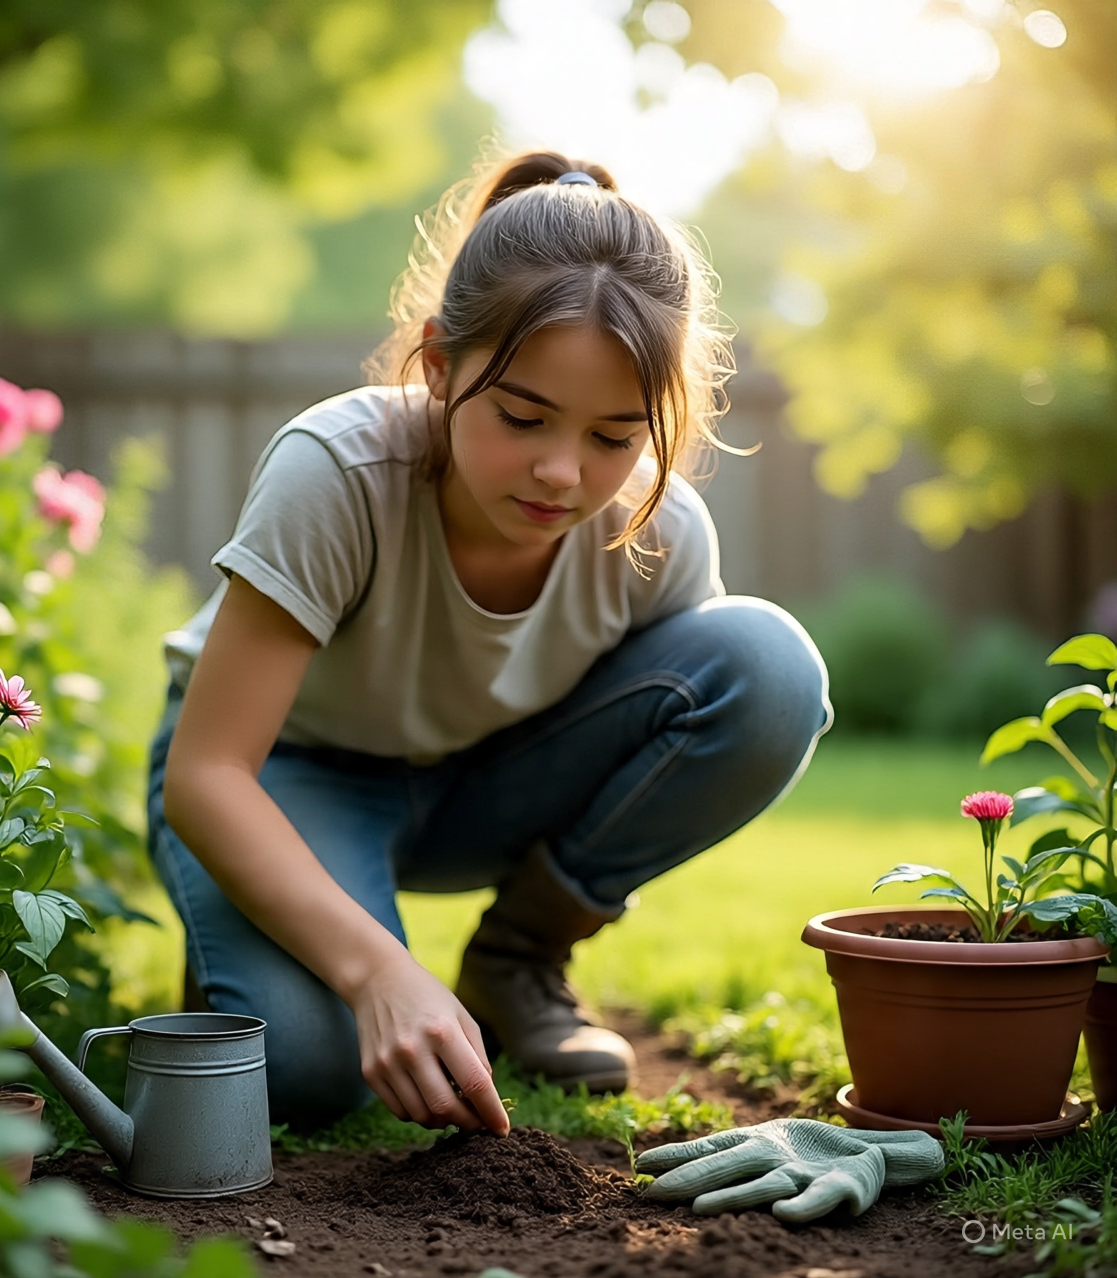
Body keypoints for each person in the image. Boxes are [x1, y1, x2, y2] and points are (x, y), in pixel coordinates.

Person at [149, 150, 832, 1138]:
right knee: (305, 1067)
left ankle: (514, 962)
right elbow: (209, 773)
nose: (562, 472)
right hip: (284, 777)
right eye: (522, 416)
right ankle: (263, 937)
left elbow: (678, 728)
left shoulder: (656, 530)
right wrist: (378, 971)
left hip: (483, 783)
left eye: (613, 436)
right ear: (438, 365)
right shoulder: (336, 470)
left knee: (768, 670)